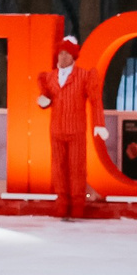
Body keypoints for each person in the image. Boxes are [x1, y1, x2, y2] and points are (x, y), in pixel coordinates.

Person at [36, 35, 103, 220]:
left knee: (77, 169)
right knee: (58, 169)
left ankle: (77, 207)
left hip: (76, 130)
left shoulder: (84, 76)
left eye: (66, 53)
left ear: (73, 56)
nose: (62, 57)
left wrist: (99, 124)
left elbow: (95, 101)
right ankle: (62, 206)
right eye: (60, 53)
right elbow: (46, 98)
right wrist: (42, 102)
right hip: (56, 130)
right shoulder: (49, 77)